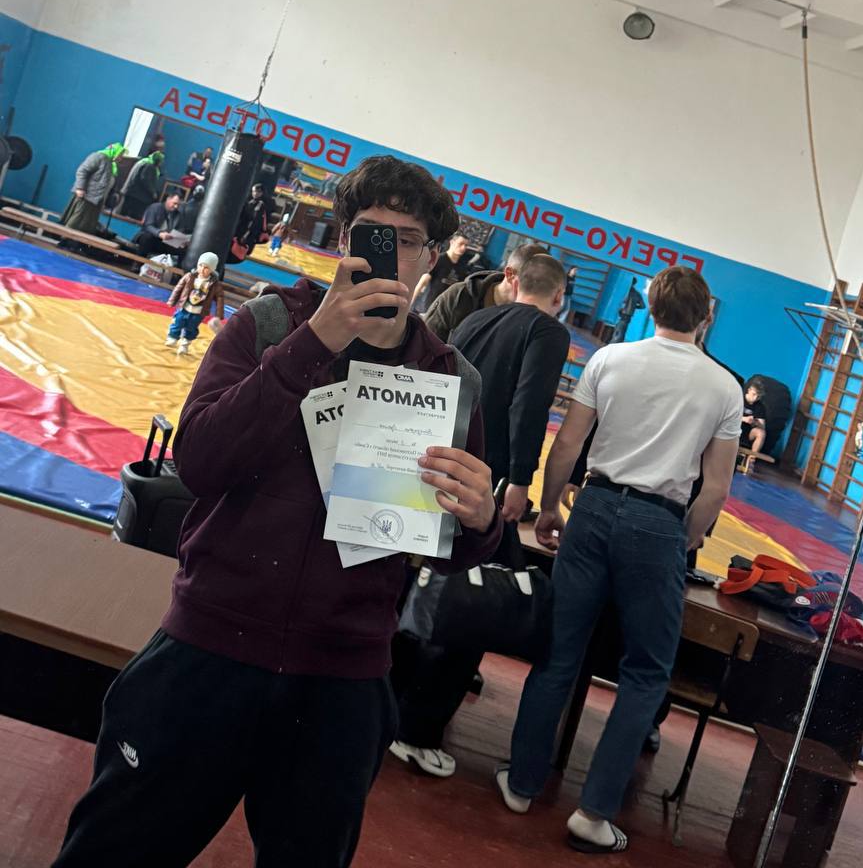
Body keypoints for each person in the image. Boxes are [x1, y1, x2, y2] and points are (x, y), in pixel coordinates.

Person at [52, 154, 502, 868]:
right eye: (371, 233)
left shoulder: (451, 377)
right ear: (344, 240)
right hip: (207, 651)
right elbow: (199, 464)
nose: (388, 252)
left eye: (408, 239)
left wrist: (481, 523)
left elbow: (443, 545)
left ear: (430, 258)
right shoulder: (265, 325)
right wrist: (312, 343)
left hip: (342, 680)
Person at [496, 266, 742, 855]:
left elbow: (568, 444)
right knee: (646, 673)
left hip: (595, 507)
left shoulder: (609, 359)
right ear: (706, 317)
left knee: (559, 652)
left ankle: (523, 782)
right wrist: (683, 539)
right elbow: (714, 488)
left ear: (650, 307)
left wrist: (549, 506)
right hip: (658, 521)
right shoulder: (723, 387)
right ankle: (594, 811)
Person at [391, 253, 571, 778]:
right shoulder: (548, 332)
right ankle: (417, 731)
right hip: (481, 480)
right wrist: (520, 479)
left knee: (419, 590)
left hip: (436, 464)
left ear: (515, 281)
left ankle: (394, 707)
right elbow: (529, 404)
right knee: (473, 602)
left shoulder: (476, 319)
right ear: (559, 297)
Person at [422, 241, 547, 342]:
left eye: (543, 285)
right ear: (510, 274)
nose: (537, 291)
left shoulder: (531, 321)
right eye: (532, 282)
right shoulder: (460, 296)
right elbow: (423, 345)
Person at [165, 250, 225, 355]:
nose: (202, 269)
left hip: (199, 311)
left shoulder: (214, 284)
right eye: (200, 265)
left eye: (206, 268)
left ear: (212, 269)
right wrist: (172, 300)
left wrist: (219, 314)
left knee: (191, 328)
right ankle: (173, 337)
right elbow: (178, 288)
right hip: (185, 306)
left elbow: (220, 298)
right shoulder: (190, 277)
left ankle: (185, 344)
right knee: (177, 321)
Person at [61, 143, 126, 234]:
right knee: (77, 220)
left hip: (97, 200)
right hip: (87, 196)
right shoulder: (98, 157)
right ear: (115, 152)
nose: (121, 158)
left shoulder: (111, 164)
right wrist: (80, 188)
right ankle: (65, 238)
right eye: (120, 154)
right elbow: (82, 171)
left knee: (88, 224)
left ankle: (76, 241)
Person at [412, 231, 471, 310]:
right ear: (452, 242)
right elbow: (422, 282)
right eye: (461, 244)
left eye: (466, 245)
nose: (463, 248)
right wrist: (410, 303)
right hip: (429, 306)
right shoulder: (438, 260)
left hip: (446, 308)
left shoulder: (463, 266)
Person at [132, 193, 182, 259]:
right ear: (168, 199)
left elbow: (176, 230)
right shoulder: (156, 207)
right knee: (148, 237)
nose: (176, 206)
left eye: (178, 205)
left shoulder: (176, 215)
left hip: (164, 241)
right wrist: (159, 233)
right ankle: (138, 262)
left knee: (182, 250)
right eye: (174, 203)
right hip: (148, 237)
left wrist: (180, 241)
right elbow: (148, 226)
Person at [229, 181, 270, 262]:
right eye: (254, 191)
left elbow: (254, 222)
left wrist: (245, 234)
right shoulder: (250, 202)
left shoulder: (260, 205)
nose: (255, 193)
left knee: (238, 250)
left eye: (258, 192)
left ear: (261, 193)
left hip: (246, 233)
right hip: (242, 230)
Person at [118, 150, 164, 220]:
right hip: (138, 197)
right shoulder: (149, 166)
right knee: (132, 218)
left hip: (131, 192)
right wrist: (153, 192)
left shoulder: (142, 162)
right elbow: (146, 180)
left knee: (122, 214)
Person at [740, 380, 767, 474]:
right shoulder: (738, 398)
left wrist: (755, 422)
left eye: (758, 396)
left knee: (761, 433)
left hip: (747, 433)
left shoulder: (760, 407)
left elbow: (762, 426)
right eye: (754, 394)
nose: (755, 398)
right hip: (733, 428)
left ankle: (751, 460)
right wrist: (743, 419)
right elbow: (728, 415)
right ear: (749, 390)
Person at [610, 277, 644, 343]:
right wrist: (634, 306)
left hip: (623, 314)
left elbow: (622, 301)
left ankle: (613, 345)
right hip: (628, 315)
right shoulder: (637, 294)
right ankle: (616, 345)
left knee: (618, 332)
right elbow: (642, 306)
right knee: (621, 331)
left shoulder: (625, 291)